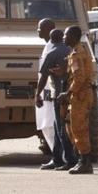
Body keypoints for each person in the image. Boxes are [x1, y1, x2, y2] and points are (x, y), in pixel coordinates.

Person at [54, 26, 96, 175]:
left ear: (73, 36)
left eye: (66, 35)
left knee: (79, 128)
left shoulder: (77, 53)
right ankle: (82, 160)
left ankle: (85, 162)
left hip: (81, 96)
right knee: (71, 128)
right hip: (78, 96)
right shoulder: (76, 51)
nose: (64, 38)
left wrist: (66, 94)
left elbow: (79, 79)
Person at [35, 28, 77, 171]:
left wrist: (37, 95)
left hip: (59, 95)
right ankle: (57, 159)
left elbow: (43, 77)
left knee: (61, 129)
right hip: (70, 94)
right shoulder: (71, 51)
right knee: (58, 126)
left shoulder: (52, 53)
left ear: (51, 39)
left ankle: (71, 160)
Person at [35, 19, 55, 156]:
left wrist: (39, 93)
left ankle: (59, 157)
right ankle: (58, 156)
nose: (38, 31)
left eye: (40, 28)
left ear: (48, 29)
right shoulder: (48, 45)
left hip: (50, 93)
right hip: (47, 92)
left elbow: (46, 73)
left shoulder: (51, 47)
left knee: (49, 126)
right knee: (48, 126)